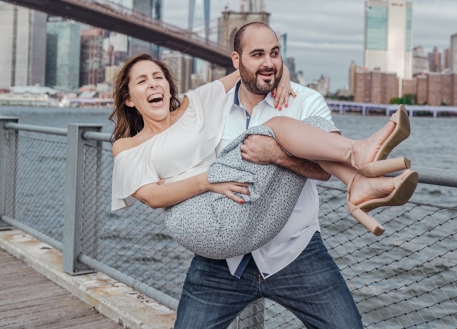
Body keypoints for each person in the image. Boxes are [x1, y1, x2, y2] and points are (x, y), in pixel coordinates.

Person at [111, 24, 416, 328]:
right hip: (221, 258)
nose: (267, 62)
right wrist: (206, 181)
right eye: (257, 54)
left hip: (293, 249)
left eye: (274, 54)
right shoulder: (204, 111)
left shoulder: (290, 100)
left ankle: (357, 178)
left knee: (296, 128)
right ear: (237, 59)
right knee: (277, 128)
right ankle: (358, 163)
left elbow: (323, 170)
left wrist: (276, 153)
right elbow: (150, 195)